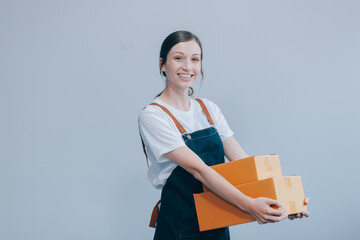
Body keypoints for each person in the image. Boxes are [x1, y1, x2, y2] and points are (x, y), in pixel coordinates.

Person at [138, 30, 309, 240]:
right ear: (162, 64)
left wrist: (285, 200)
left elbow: (244, 164)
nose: (188, 67)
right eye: (178, 58)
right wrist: (248, 204)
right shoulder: (154, 116)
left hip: (217, 221)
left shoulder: (208, 109)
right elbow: (198, 170)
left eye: (195, 59)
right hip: (180, 226)